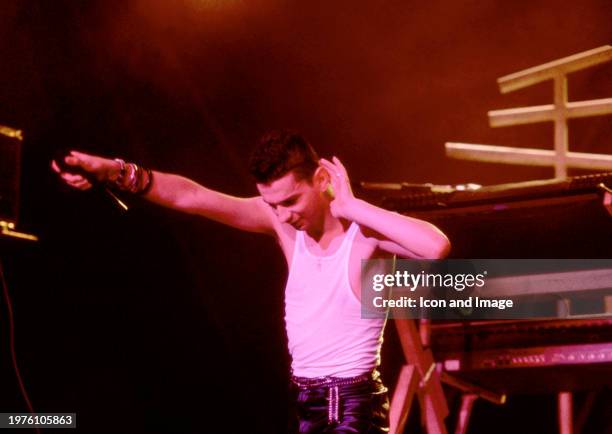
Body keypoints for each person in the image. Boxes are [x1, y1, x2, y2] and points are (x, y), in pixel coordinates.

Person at [52, 130, 451, 433]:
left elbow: (435, 247)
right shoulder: (285, 229)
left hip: (352, 407)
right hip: (307, 404)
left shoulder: (363, 235)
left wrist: (351, 205)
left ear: (321, 179)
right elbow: (191, 196)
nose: (282, 215)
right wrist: (116, 171)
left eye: (290, 201)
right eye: (272, 205)